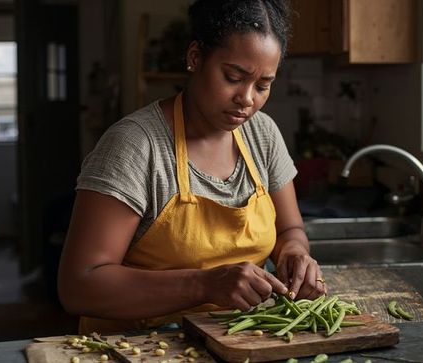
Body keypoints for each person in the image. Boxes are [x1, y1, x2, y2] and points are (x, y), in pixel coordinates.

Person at [57, 0, 325, 334]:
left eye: (262, 85)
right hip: (139, 349)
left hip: (238, 341)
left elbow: (289, 230)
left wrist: (294, 255)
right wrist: (204, 286)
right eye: (233, 77)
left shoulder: (263, 134)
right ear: (195, 57)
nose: (247, 98)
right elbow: (79, 286)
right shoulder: (135, 146)